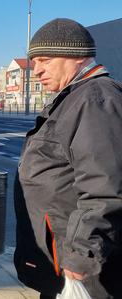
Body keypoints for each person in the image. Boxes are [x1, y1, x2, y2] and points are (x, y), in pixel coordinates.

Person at [14, 18, 122, 298]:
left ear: (75, 57)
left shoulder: (95, 100)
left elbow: (105, 187)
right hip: (62, 263)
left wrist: (82, 254)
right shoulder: (76, 97)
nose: (36, 70)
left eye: (45, 60)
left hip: (86, 272)